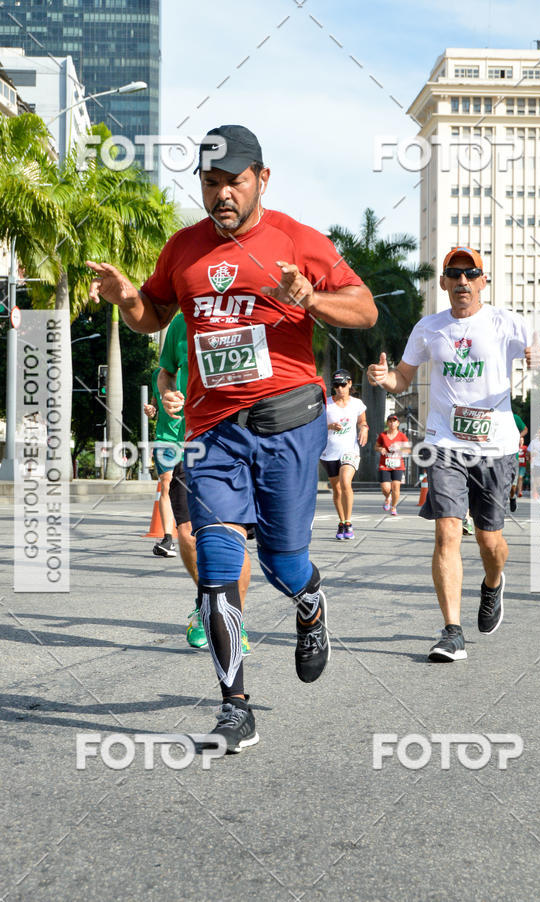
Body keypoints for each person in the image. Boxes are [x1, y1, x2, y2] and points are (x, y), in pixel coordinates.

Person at [88, 124, 376, 752]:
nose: (221, 194)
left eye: (233, 182)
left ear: (261, 180)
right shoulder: (183, 248)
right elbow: (153, 317)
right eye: (211, 182)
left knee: (281, 562)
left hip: (288, 424)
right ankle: (234, 706)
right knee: (218, 563)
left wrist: (312, 299)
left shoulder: (297, 240)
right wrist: (126, 297)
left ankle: (310, 602)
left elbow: (365, 308)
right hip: (212, 430)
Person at [368, 245, 538, 663]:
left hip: (496, 447)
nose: (462, 281)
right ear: (443, 282)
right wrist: (382, 378)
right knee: (447, 531)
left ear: (483, 281)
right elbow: (402, 377)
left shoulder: (505, 323)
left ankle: (493, 583)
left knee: (489, 540)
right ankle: (451, 631)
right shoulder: (428, 328)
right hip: (445, 444)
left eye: (471, 273)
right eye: (454, 273)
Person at [157, 312, 251, 653]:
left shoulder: (248, 313)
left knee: (231, 536)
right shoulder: (180, 322)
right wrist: (167, 394)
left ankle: (233, 621)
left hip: (234, 442)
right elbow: (166, 372)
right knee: (186, 533)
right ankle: (207, 603)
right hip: (188, 442)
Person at [320, 369, 368, 540]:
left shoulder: (357, 404)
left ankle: (348, 522)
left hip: (350, 450)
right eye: (336, 385)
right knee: (337, 490)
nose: (339, 388)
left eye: (343, 384)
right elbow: (316, 426)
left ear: (349, 384)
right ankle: (341, 522)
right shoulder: (326, 404)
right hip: (329, 452)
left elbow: (363, 421)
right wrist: (330, 426)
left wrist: (364, 429)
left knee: (345, 481)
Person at [144, 367, 179, 557]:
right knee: (166, 484)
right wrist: (152, 410)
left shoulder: (193, 368)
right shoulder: (157, 374)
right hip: (164, 438)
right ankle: (168, 539)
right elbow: (155, 403)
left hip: (190, 437)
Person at [374, 414, 411, 516]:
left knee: (395, 487)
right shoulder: (383, 435)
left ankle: (394, 507)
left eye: (394, 421)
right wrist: (380, 449)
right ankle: (387, 497)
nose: (392, 423)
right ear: (387, 423)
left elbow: (407, 450)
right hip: (384, 464)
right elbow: (376, 447)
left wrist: (399, 448)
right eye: (390, 421)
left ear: (398, 423)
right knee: (385, 488)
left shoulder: (402, 436)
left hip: (398, 465)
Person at [509, 413, 528, 512]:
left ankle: (512, 497)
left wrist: (517, 436)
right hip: (496, 456)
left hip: (512, 456)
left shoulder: (514, 417)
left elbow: (525, 429)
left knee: (512, 484)